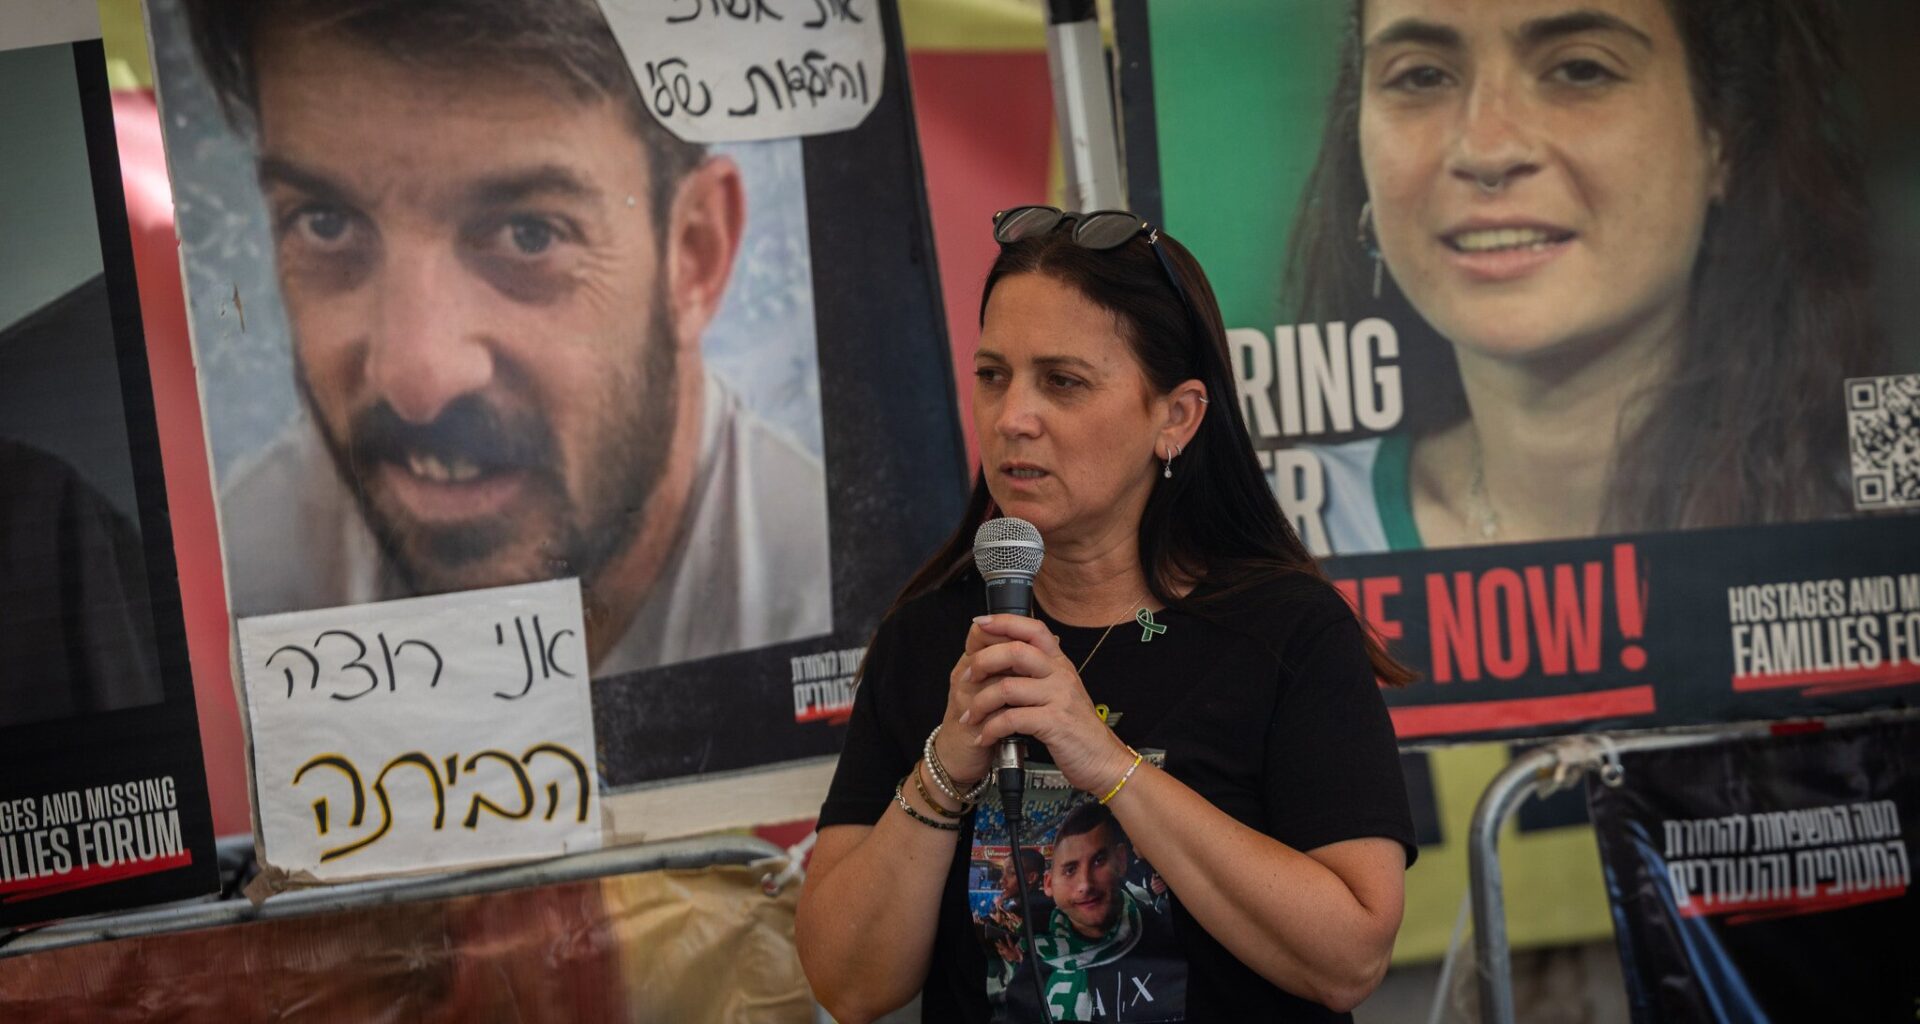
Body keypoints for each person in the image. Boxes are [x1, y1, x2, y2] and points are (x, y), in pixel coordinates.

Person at [798, 206, 1416, 1022]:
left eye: (1063, 381)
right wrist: (945, 767)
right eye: (993, 375)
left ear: (1176, 417)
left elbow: (1349, 960)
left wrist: (1108, 764)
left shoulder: (1284, 635)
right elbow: (847, 985)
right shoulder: (928, 638)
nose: (1012, 417)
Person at [177, 0, 831, 673]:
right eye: (326, 224)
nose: (418, 381)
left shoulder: (845, 609)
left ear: (694, 256)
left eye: (529, 235)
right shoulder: (234, 601)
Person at [1283, 0, 1881, 552]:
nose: (1486, 151)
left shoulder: (1887, 502)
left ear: (1722, 134)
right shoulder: (1276, 529)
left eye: (1579, 70)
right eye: (1422, 76)